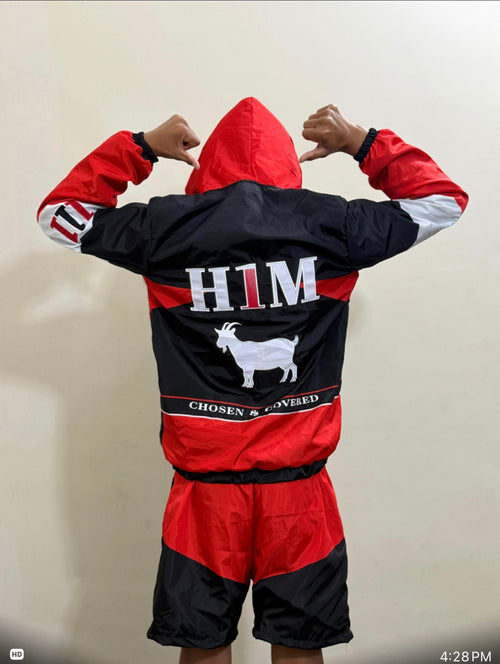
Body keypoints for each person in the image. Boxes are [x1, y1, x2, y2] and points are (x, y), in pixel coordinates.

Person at [37, 98, 468, 664]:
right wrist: (361, 142)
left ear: (208, 164)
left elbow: (60, 215)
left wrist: (139, 148)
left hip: (204, 494)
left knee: (203, 640)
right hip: (300, 494)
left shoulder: (165, 229)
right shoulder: (332, 224)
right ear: (287, 164)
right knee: (300, 641)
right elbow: (441, 202)